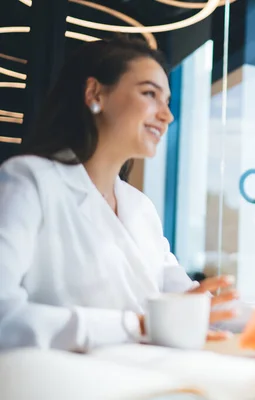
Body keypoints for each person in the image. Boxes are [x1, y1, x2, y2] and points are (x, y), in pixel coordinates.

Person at [0, 37, 237, 351]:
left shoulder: (140, 207)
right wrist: (137, 326)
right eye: (150, 94)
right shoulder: (29, 180)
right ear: (95, 93)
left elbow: (187, 301)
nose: (167, 116)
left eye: (167, 101)